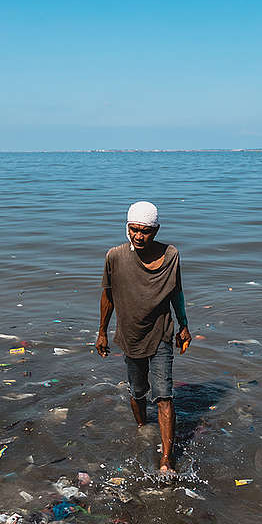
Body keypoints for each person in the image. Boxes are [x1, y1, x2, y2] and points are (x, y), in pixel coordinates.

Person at [97, 201, 191, 473]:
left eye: (145, 231)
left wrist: (183, 325)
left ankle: (166, 460)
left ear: (156, 230)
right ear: (127, 228)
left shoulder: (171, 255)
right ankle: (142, 429)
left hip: (161, 332)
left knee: (164, 396)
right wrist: (102, 332)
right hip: (130, 335)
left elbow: (177, 292)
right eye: (134, 230)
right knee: (138, 393)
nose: (139, 236)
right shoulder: (114, 256)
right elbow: (107, 297)